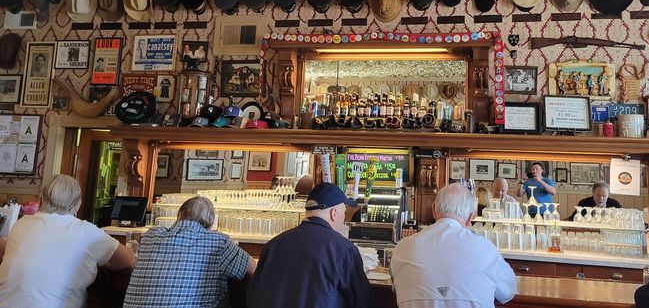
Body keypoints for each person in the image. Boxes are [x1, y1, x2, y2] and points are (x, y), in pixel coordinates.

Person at [0, 174, 136, 308]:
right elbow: (129, 260)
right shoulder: (85, 231)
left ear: (42, 198)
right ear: (78, 203)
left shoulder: (21, 223)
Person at [391, 183, 517, 307]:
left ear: (434, 210)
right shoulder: (486, 249)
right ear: (470, 217)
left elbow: (396, 286)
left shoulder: (402, 248)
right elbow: (508, 292)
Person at [247, 183, 371, 308]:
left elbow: (253, 295)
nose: (343, 219)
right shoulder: (344, 250)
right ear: (334, 213)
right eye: (344, 213)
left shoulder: (273, 245)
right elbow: (361, 302)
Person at [123, 196, 256, 308]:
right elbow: (254, 269)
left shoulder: (150, 236)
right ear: (211, 223)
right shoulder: (218, 242)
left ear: (178, 215)